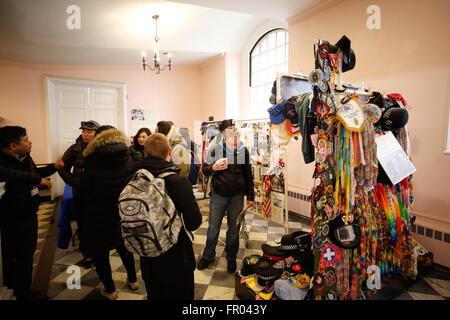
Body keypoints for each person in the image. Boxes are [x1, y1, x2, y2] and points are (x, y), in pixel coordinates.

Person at [0, 126, 64, 300]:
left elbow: (34, 173)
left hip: (29, 213)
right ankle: (15, 290)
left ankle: (24, 289)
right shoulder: (4, 162)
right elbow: (13, 175)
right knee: (12, 255)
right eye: (26, 140)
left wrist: (53, 167)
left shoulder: (25, 157)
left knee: (27, 254)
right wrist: (37, 179)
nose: (30, 143)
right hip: (11, 217)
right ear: (13, 146)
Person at [136, 133, 202, 300]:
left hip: (148, 253)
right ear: (170, 152)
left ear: (145, 153)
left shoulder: (135, 179)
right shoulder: (178, 181)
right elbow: (194, 222)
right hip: (176, 255)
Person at [78, 126, 138, 300]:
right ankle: (133, 280)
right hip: (123, 211)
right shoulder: (127, 155)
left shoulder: (92, 158)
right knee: (125, 248)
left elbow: (84, 191)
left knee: (100, 252)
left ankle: (110, 289)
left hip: (98, 214)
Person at [197, 126, 254, 273]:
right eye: (231, 144)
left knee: (233, 229)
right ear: (224, 139)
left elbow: (248, 175)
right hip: (218, 196)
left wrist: (251, 196)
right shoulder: (215, 150)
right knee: (213, 228)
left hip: (237, 196)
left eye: (236, 143)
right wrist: (214, 168)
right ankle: (208, 256)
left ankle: (231, 257)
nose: (235, 147)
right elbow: (204, 170)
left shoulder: (243, 151)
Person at [58, 120, 100, 268]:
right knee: (83, 224)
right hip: (81, 195)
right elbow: (62, 166)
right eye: (84, 131)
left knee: (97, 225)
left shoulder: (102, 148)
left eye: (89, 132)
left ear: (97, 133)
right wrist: (73, 181)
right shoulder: (75, 149)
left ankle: (99, 253)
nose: (86, 134)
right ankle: (88, 254)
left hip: (98, 194)